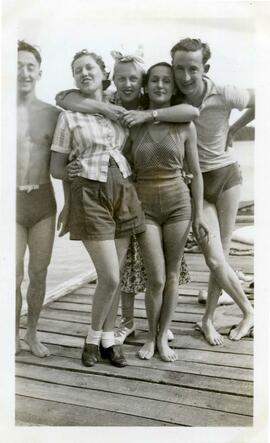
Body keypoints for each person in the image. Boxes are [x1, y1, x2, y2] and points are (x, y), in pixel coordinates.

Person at [56, 51, 199, 345]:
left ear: (143, 83)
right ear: (113, 80)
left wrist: (149, 114)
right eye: (122, 78)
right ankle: (125, 322)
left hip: (144, 193)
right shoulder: (111, 101)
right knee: (122, 266)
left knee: (142, 266)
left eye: (134, 78)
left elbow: (189, 114)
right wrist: (107, 111)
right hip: (115, 192)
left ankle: (154, 323)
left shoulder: (148, 105)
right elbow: (65, 98)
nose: (128, 84)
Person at [50, 49, 145, 368]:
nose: (83, 73)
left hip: (124, 191)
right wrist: (70, 173)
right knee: (108, 274)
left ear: (103, 72)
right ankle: (92, 339)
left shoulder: (119, 106)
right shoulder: (68, 114)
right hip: (90, 194)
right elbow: (55, 166)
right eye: (77, 70)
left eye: (89, 67)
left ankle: (108, 340)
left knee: (115, 275)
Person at [170, 38, 255, 345]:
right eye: (179, 68)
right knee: (215, 257)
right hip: (197, 185)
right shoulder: (172, 98)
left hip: (228, 177)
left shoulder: (224, 93)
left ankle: (208, 320)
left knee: (223, 252)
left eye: (193, 68)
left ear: (204, 68)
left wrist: (234, 129)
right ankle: (249, 311)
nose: (185, 76)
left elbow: (260, 99)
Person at [125, 62, 209, 361]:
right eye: (155, 81)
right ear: (147, 86)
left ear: (173, 87)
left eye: (166, 81)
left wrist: (199, 215)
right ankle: (150, 334)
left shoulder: (185, 124)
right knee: (156, 278)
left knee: (172, 275)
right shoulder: (134, 124)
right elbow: (122, 167)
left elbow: (196, 173)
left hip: (178, 205)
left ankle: (162, 338)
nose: (160, 85)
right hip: (144, 206)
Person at [16, 41, 60, 357]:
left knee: (39, 273)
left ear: (39, 72)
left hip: (43, 201)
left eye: (30, 66)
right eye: (17, 64)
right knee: (11, 274)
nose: (24, 71)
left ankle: (31, 333)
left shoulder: (53, 114)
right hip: (10, 204)